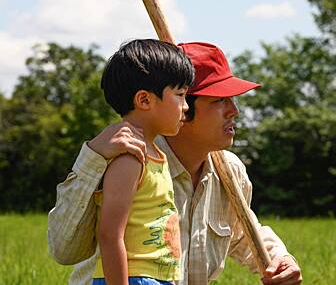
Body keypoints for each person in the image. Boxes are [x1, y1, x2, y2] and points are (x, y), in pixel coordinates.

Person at [48, 41, 303, 285]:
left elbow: (242, 233)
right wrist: (92, 158)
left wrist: (279, 258)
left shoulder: (231, 171)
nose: (234, 111)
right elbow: (64, 249)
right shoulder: (129, 157)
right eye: (218, 101)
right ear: (184, 107)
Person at [92, 39, 195, 285]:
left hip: (156, 278)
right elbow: (109, 234)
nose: (186, 106)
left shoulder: (155, 154)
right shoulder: (129, 158)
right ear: (145, 100)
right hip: (134, 277)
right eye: (180, 95)